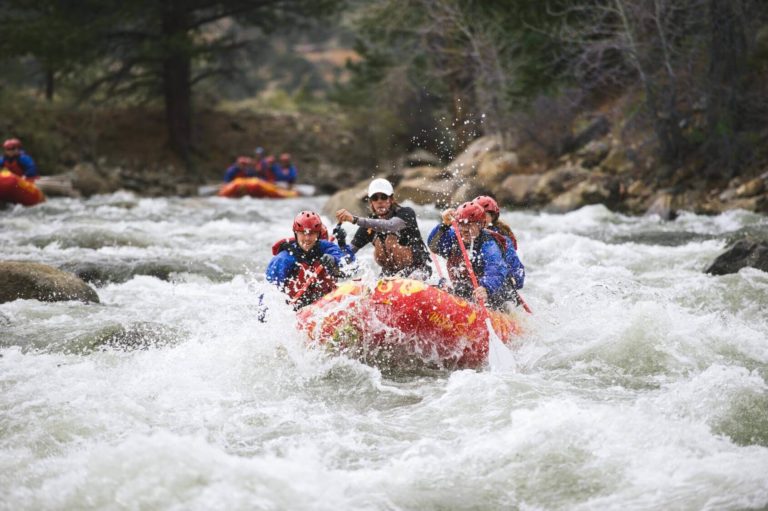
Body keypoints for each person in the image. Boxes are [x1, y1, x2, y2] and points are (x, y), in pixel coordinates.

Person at [335, 178, 431, 279]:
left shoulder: (406, 213)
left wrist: (355, 220)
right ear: (371, 202)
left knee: (391, 240)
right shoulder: (368, 227)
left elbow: (390, 226)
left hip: (417, 272)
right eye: (375, 198)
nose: (379, 201)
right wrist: (338, 249)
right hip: (389, 276)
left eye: (384, 197)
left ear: (391, 199)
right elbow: (348, 254)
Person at [427, 201, 511, 309]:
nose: (464, 229)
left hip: (490, 294)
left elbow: (496, 269)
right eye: (461, 223)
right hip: (463, 288)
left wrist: (485, 288)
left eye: (469, 224)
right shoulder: (454, 236)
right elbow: (434, 246)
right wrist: (444, 225)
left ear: (480, 224)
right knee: (453, 286)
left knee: (467, 289)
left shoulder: (488, 245)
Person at [266, 211, 346, 309]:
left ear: (318, 235)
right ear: (296, 233)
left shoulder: (324, 247)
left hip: (325, 302)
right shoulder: (283, 259)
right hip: (297, 309)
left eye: (312, 233)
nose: (307, 238)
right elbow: (268, 294)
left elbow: (347, 262)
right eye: (303, 233)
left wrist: (335, 256)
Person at [474, 195, 525, 289]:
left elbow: (518, 274)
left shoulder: (502, 239)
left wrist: (512, 278)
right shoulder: (466, 232)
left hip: (497, 287)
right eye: (474, 215)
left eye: (482, 215)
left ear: (492, 217)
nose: (478, 219)